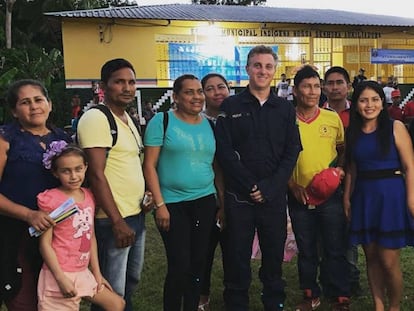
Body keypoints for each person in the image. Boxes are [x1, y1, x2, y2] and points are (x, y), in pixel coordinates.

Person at [214, 45, 302, 311]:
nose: (262, 71)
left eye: (268, 66)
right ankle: (236, 304)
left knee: (273, 259)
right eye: (257, 65)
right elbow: (224, 152)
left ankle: (273, 303)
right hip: (239, 199)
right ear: (247, 69)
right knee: (237, 258)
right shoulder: (230, 106)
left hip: (273, 199)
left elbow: (292, 150)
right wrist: (251, 186)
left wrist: (269, 187)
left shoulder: (285, 109)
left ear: (274, 71)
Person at [77, 58, 152, 311]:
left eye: (131, 82)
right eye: (119, 82)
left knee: (131, 281)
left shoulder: (126, 118)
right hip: (111, 220)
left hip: (135, 214)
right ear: (103, 86)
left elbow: (128, 163)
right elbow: (96, 174)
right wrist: (117, 221)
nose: (127, 88)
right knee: (109, 289)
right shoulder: (97, 118)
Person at [143, 74, 219, 311]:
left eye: (199, 91)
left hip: (205, 201)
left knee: (198, 263)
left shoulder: (209, 124)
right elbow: (149, 165)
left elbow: (215, 165)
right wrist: (160, 204)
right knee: (179, 265)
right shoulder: (161, 121)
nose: (197, 97)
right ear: (175, 97)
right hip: (173, 203)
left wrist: (222, 201)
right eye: (189, 92)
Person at [0, 79, 71, 310]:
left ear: (49, 104)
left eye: (39, 99)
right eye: (25, 102)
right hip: (15, 233)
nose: (34, 106)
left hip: (57, 236)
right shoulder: (5, 139)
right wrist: (29, 215)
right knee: (24, 299)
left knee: (55, 299)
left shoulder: (63, 139)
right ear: (13, 110)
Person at [344, 80, 414, 311]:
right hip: (364, 196)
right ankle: (379, 305)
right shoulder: (352, 132)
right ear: (356, 105)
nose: (369, 105)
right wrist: (347, 197)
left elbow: (410, 167)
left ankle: (394, 306)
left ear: (382, 104)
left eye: (375, 100)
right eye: (364, 100)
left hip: (390, 197)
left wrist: (411, 198)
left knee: (388, 260)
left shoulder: (395, 127)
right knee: (371, 258)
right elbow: (352, 168)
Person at [288, 65, 351, 311]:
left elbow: (342, 149)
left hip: (331, 195)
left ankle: (340, 295)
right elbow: (279, 158)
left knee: (335, 246)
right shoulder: (287, 120)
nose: (312, 91)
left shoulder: (331, 118)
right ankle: (310, 293)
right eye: (306, 86)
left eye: (316, 86)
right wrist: (291, 184)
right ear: (295, 90)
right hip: (299, 195)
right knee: (307, 248)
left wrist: (340, 170)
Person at [37, 141, 125, 311]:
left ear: (86, 167)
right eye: (66, 171)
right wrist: (60, 278)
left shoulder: (89, 196)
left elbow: (89, 235)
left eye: (78, 169)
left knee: (117, 304)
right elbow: (44, 244)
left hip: (83, 271)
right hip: (60, 273)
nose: (74, 176)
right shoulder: (51, 200)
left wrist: (97, 273)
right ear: (55, 173)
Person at [322, 66, 363, 297]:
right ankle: (327, 279)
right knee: (324, 235)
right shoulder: (315, 112)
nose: (335, 87)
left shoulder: (359, 113)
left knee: (349, 233)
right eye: (330, 82)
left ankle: (351, 279)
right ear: (324, 86)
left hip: (355, 181)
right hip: (324, 184)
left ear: (348, 86)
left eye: (340, 82)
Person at [198, 73, 230, 311]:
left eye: (222, 87)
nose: (217, 92)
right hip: (206, 193)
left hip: (237, 192)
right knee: (205, 248)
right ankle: (202, 293)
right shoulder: (197, 122)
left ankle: (234, 291)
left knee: (234, 248)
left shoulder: (238, 117)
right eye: (210, 88)